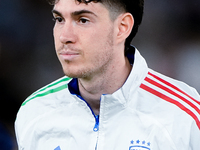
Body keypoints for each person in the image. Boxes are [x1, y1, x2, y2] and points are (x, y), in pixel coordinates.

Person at [15, 0, 200, 149]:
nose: (65, 36)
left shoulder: (184, 116)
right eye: (59, 19)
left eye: (83, 20)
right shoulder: (34, 112)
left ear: (122, 27)